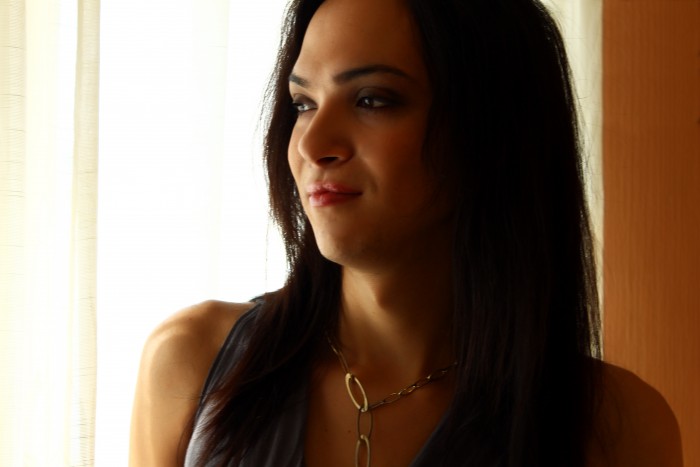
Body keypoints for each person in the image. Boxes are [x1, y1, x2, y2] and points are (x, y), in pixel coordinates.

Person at [129, 0, 684, 465]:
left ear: (490, 133)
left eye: (372, 100)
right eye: (303, 103)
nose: (312, 143)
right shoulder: (192, 362)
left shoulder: (615, 429)